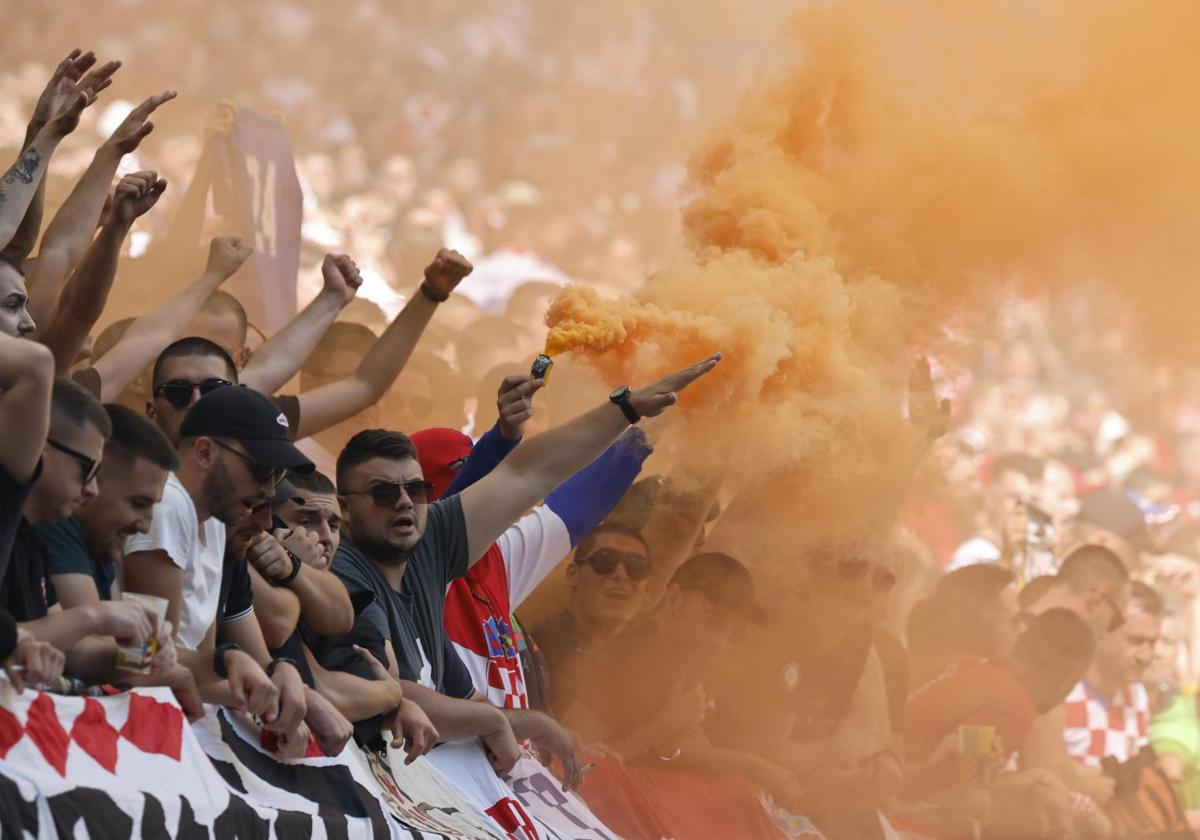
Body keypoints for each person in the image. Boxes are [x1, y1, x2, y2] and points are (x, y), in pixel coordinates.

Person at [329, 353, 720, 775]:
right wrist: (500, 442)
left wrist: (642, 419)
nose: (405, 501)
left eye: (416, 489)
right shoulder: (380, 565)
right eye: (386, 492)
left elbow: (549, 484)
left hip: (491, 787)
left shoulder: (496, 554)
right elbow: (507, 478)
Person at [41, 404, 178, 607]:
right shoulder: (54, 521)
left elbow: (109, 631)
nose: (146, 526)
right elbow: (93, 630)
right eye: (139, 503)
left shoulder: (100, 539)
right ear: (92, 479)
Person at [532, 523, 652, 715]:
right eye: (605, 561)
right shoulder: (543, 644)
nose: (620, 574)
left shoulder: (645, 660)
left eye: (636, 566)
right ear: (573, 575)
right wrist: (665, 723)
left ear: (647, 591)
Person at [1062, 580, 1163, 767]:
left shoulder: (1137, 695)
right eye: (1135, 641)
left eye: (1153, 643)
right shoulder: (1061, 693)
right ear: (1101, 631)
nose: (1146, 656)